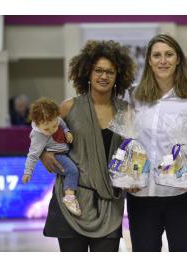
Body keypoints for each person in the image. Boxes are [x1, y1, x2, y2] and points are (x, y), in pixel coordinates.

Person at [39, 40, 136, 251]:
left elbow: (134, 150)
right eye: (98, 70)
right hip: (71, 203)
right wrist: (44, 153)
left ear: (118, 75)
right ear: (87, 74)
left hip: (109, 205)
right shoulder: (69, 107)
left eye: (110, 72)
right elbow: (40, 133)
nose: (104, 76)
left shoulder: (126, 111)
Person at [126, 34, 187, 252]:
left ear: (178, 59)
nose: (163, 61)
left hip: (181, 195)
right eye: (157, 55)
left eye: (169, 55)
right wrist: (128, 174)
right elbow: (128, 141)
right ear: (149, 61)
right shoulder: (134, 95)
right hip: (141, 195)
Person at [22, 98, 81, 216]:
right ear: (38, 124)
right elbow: (32, 155)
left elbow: (62, 124)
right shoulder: (37, 136)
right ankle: (69, 197)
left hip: (65, 150)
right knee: (72, 171)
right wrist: (28, 172)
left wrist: (67, 132)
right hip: (56, 155)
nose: (51, 131)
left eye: (54, 126)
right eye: (46, 129)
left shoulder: (57, 119)